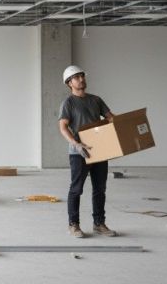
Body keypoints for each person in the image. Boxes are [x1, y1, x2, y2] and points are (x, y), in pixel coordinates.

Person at [58, 65, 118, 239]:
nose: (81, 79)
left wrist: (122, 125)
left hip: (99, 151)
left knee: (100, 189)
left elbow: (111, 118)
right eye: (76, 77)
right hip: (79, 153)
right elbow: (63, 127)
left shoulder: (96, 100)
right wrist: (76, 144)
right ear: (69, 83)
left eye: (82, 76)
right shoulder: (68, 103)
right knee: (76, 189)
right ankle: (73, 225)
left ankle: (99, 224)